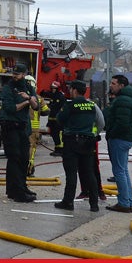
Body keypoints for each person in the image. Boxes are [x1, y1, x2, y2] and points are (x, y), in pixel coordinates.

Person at [54, 80, 100, 212]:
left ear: (74, 90)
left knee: (71, 173)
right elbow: (100, 122)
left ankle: (68, 202)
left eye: (70, 89)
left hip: (72, 142)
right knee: (89, 173)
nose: (69, 91)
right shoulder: (92, 105)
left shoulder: (70, 105)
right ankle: (94, 204)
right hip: (88, 142)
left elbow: (59, 120)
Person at [0, 62, 38, 202]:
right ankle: (17, 192)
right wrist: (26, 102)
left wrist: (29, 99)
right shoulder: (8, 89)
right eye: (13, 74)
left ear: (24, 74)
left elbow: (36, 105)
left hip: (22, 127)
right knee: (14, 158)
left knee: (24, 159)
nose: (14, 76)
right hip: (10, 126)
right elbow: (10, 108)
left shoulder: (28, 87)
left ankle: (20, 187)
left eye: (17, 74)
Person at [105, 74, 132, 213]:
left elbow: (121, 123)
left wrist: (110, 133)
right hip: (126, 139)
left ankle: (124, 203)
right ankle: (128, 201)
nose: (111, 86)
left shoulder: (122, 100)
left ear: (121, 86)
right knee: (123, 171)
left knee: (119, 171)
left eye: (113, 83)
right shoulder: (128, 99)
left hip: (119, 139)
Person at [25, 75, 48, 177]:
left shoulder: (18, 96)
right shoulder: (38, 99)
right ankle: (29, 170)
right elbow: (46, 111)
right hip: (33, 130)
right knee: (31, 150)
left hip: (20, 127)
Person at [42, 80, 66, 155]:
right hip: (52, 119)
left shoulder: (60, 96)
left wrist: (49, 106)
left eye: (54, 88)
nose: (52, 89)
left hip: (58, 121)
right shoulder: (54, 95)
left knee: (58, 135)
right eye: (51, 88)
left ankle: (60, 150)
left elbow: (56, 107)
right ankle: (57, 149)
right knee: (54, 134)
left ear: (57, 89)